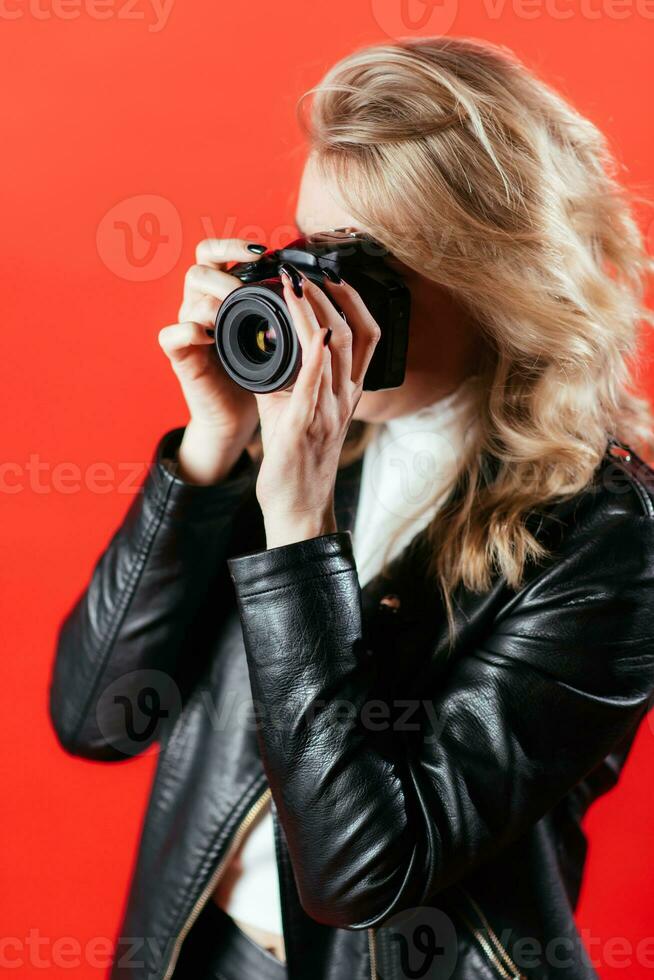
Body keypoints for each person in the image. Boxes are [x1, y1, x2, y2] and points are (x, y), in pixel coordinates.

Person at [49, 35, 654, 980]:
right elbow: (96, 720)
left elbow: (363, 871)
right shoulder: (302, 439)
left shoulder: (605, 540)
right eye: (308, 248)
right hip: (203, 953)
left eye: (363, 263)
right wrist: (210, 454)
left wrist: (296, 528)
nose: (315, 299)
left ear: (496, 277)